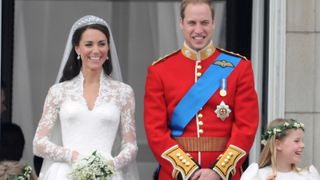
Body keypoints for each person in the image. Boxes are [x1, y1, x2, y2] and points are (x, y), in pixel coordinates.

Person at [143, 0, 259, 179]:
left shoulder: (239, 67)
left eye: (204, 23)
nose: (198, 30)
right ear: (181, 23)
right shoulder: (160, 70)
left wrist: (219, 171)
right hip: (176, 175)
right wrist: (187, 170)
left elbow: (246, 127)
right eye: (192, 23)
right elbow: (155, 131)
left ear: (213, 23)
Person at [33, 15, 139, 180]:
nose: (96, 50)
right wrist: (72, 156)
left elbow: (131, 146)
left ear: (108, 48)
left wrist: (111, 164)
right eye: (89, 44)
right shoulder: (58, 92)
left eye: (102, 44)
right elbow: (38, 144)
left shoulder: (123, 92)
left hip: (106, 173)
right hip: (65, 173)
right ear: (77, 48)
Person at [241, 118, 320, 179]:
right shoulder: (258, 176)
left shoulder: (307, 176)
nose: (303, 145)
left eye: (302, 141)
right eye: (296, 141)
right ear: (278, 144)